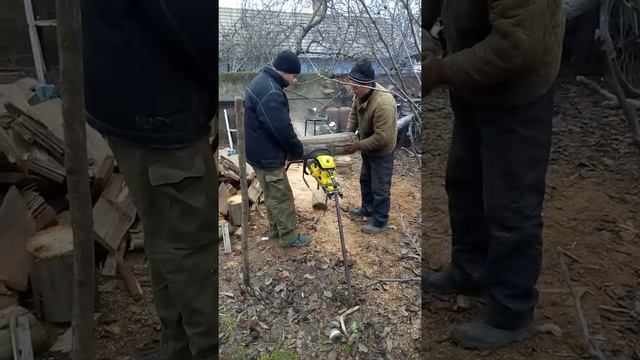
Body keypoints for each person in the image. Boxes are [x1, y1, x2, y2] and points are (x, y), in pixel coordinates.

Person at [422, 0, 566, 350]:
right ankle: (470, 270)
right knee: (465, 182)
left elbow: (515, 46)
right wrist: (425, 38)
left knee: (511, 204)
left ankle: (511, 311)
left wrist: (439, 71)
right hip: (472, 83)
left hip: (518, 90)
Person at [82, 1, 218, 359]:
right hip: (160, 113)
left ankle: (178, 346)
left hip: (132, 106)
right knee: (194, 252)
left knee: (167, 240)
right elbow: (193, 19)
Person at [244, 50, 311, 248]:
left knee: (271, 193)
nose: (295, 79)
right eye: (293, 75)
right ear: (285, 71)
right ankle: (288, 236)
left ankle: (275, 228)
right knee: (281, 196)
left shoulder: (261, 80)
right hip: (267, 155)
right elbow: (280, 128)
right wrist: (297, 149)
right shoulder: (272, 92)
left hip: (257, 152)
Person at [344, 59, 398, 234]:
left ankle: (380, 221)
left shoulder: (384, 104)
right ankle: (367, 208)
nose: (353, 90)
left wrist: (357, 145)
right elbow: (354, 114)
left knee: (380, 188)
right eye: (351, 86)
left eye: (356, 87)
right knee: (365, 180)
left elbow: (382, 138)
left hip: (381, 151)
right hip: (367, 146)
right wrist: (347, 134)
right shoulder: (359, 93)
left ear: (368, 84)